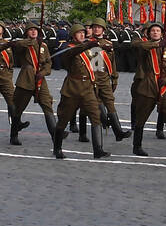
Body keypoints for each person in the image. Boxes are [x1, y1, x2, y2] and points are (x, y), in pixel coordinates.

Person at [128, 22, 166, 155]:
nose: (155, 33)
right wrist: (157, 44)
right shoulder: (144, 45)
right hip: (148, 86)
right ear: (149, 33)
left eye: (158, 31)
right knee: (141, 117)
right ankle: (137, 146)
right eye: (153, 31)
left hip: (163, 86)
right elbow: (136, 45)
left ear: (162, 34)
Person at [50, 27, 108, 160]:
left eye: (83, 33)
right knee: (64, 119)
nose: (82, 35)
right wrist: (87, 45)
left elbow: (97, 66)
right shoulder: (67, 47)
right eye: (79, 33)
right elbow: (71, 54)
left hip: (88, 87)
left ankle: (98, 149)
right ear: (73, 35)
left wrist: (102, 50)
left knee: (95, 116)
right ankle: (57, 148)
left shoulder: (88, 48)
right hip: (73, 88)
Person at [9, 21, 55, 146]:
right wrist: (34, 42)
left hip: (40, 79)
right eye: (31, 30)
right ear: (26, 32)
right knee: (18, 108)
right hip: (26, 79)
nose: (34, 32)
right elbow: (17, 45)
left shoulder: (43, 46)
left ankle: (56, 138)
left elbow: (48, 63)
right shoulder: (24, 44)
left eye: (36, 30)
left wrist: (43, 73)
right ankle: (14, 135)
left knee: (47, 106)